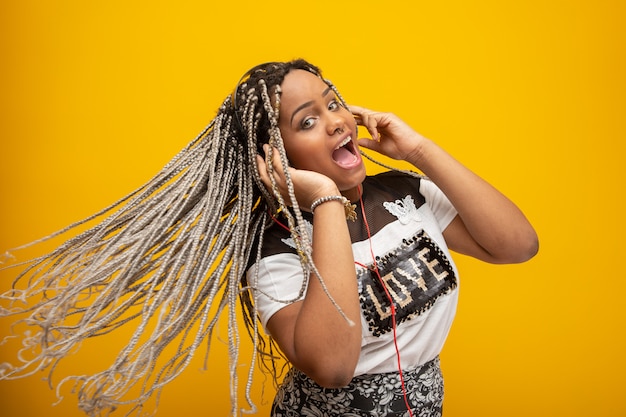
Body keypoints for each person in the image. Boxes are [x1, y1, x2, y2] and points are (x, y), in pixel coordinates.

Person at [0, 59, 538, 417]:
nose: (333, 121)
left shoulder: (402, 193)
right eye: (306, 121)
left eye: (333, 102)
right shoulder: (272, 247)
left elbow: (516, 246)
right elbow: (331, 367)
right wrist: (325, 200)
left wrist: (419, 149)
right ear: (271, 158)